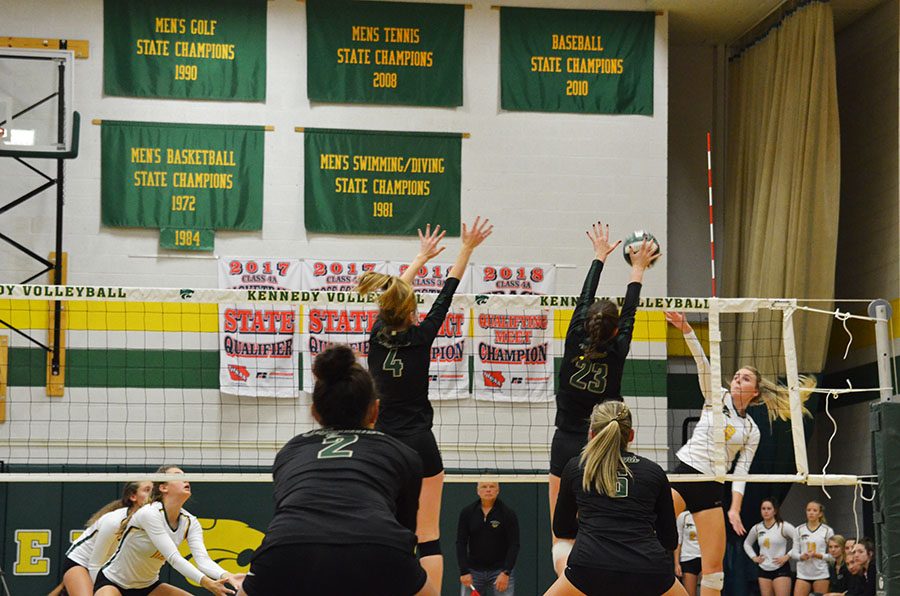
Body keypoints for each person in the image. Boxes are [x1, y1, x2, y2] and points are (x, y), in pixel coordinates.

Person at [357, 217, 493, 587]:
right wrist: (465, 248)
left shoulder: (376, 337)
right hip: (420, 444)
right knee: (428, 534)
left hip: (381, 444)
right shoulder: (422, 336)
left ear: (383, 312)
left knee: (384, 529)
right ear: (414, 312)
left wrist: (419, 258)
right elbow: (448, 289)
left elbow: (396, 294)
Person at [239, 344, 434, 596]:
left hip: (288, 544)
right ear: (375, 410)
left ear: (315, 412)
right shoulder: (403, 454)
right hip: (377, 542)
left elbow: (287, 510)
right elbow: (405, 531)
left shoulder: (290, 451)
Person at [665, 311, 815, 596]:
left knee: (714, 569)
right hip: (686, 474)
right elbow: (701, 362)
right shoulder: (716, 396)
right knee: (648, 530)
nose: (737, 380)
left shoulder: (751, 429)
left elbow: (742, 473)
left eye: (744, 378)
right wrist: (686, 329)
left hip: (713, 486)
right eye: (736, 376)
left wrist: (734, 508)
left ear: (755, 392)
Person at [549, 222, 658, 575]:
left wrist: (599, 256)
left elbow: (586, 298)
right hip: (605, 449)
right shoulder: (618, 349)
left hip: (565, 444)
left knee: (561, 536)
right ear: (614, 332)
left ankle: (570, 585)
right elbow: (631, 310)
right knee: (605, 529)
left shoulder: (574, 335)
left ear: (586, 324)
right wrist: (637, 268)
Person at [547, 401, 687, 596]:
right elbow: (670, 541)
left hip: (590, 566)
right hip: (648, 569)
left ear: (592, 434)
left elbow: (561, 529)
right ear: (631, 435)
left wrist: (594, 527)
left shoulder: (576, 467)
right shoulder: (653, 472)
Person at [94, 465, 242, 596]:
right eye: (178, 477)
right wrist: (207, 583)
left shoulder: (190, 522)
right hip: (113, 582)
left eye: (186, 477)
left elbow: (203, 560)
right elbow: (174, 558)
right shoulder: (149, 513)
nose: (186, 480)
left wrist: (228, 575)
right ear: (163, 487)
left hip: (147, 587)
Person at [48, 481, 153, 596]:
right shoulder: (115, 521)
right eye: (147, 490)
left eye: (154, 489)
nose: (152, 493)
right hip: (82, 562)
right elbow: (94, 564)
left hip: (110, 569)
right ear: (133, 496)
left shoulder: (153, 523)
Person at [457, 481, 520, 596]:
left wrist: (506, 572)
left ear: (497, 490)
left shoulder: (508, 514)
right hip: (473, 571)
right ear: (478, 491)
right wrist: (464, 571)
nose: (488, 490)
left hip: (500, 571)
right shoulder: (467, 513)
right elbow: (461, 543)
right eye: (484, 487)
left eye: (492, 487)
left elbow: (514, 545)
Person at [743, 498, 795, 596]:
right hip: (763, 569)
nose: (766, 511)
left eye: (769, 508)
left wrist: (787, 556)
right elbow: (747, 543)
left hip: (780, 568)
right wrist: (754, 557)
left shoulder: (783, 526)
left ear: (775, 511)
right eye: (763, 509)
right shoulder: (757, 528)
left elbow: (799, 541)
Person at [791, 500, 835, 596]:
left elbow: (833, 556)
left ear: (820, 514)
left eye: (814, 510)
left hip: (821, 574)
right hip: (803, 574)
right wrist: (801, 556)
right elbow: (794, 553)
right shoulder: (798, 529)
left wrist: (818, 555)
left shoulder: (827, 530)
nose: (811, 513)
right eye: (808, 510)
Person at [675, 511, 702, 596]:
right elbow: (678, 542)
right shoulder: (683, 516)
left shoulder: (708, 514)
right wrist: (676, 564)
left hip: (705, 559)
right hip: (687, 558)